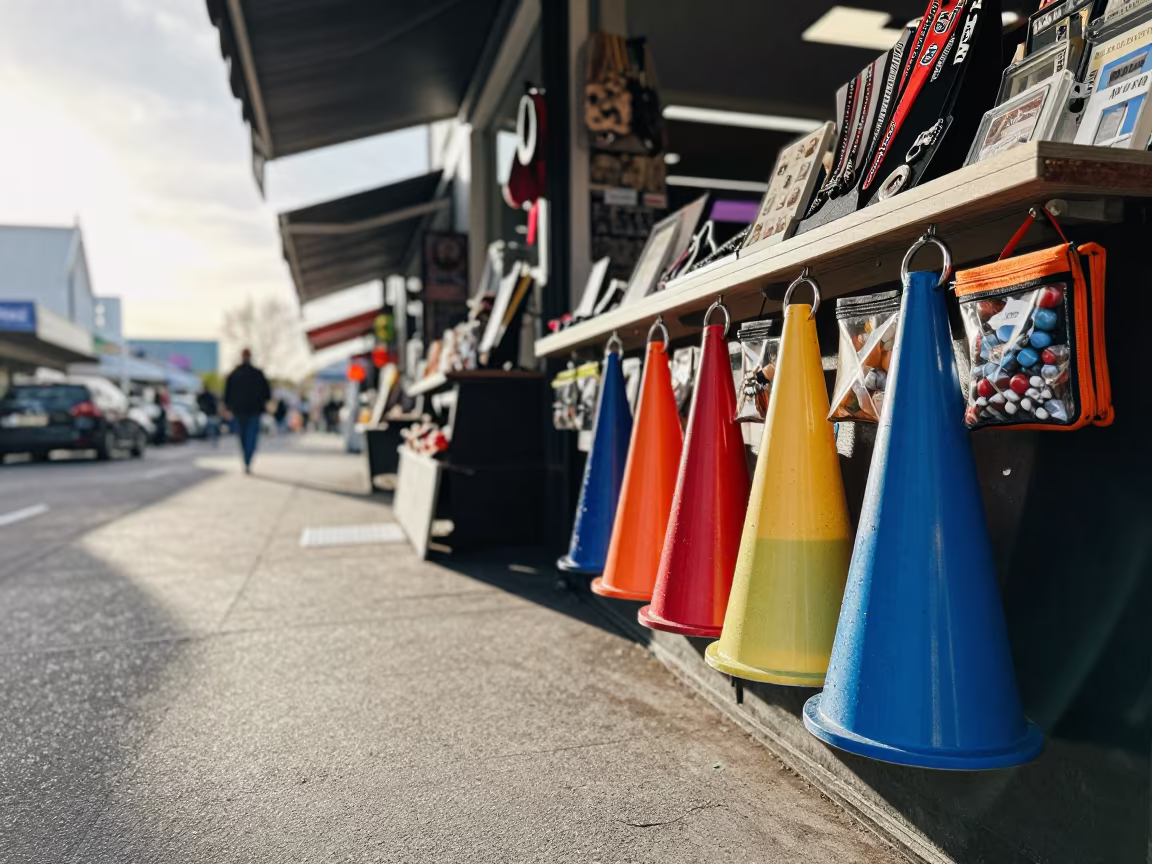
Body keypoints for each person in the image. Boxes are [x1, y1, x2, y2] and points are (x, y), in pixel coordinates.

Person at [224, 348, 271, 473]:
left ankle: (247, 459)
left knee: (243, 437)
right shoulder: (257, 374)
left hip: (240, 411)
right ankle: (247, 459)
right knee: (250, 437)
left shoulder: (235, 374)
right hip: (252, 410)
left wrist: (228, 408)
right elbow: (267, 394)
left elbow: (227, 394)